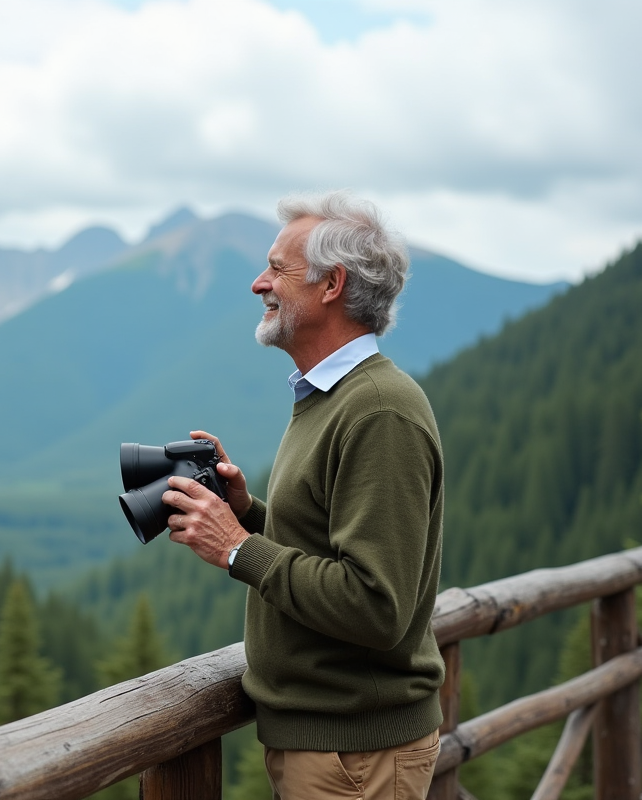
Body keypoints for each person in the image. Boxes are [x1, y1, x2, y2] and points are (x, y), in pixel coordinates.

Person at [161, 191, 445, 799]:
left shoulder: (378, 410)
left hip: (357, 753)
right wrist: (251, 515)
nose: (259, 284)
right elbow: (332, 544)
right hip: (335, 746)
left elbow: (375, 606)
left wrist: (239, 548)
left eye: (278, 269)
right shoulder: (333, 397)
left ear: (331, 285)